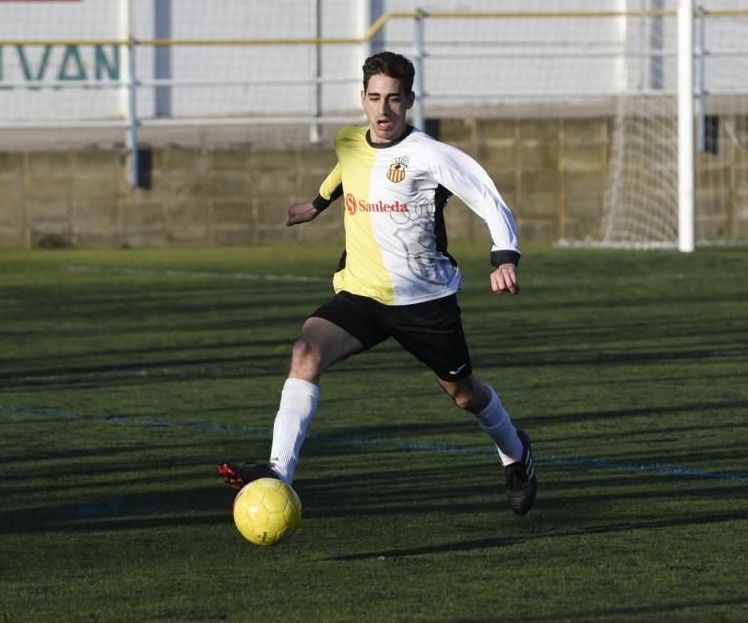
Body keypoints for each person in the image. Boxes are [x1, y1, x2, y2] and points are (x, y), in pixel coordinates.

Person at [218, 51, 536, 515]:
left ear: (409, 100)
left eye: (393, 99)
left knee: (464, 395)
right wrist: (316, 204)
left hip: (424, 300)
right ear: (362, 99)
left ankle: (516, 453)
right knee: (306, 353)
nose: (382, 110)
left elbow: (487, 197)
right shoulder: (349, 139)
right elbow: (345, 169)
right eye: (374, 98)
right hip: (361, 292)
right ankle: (278, 473)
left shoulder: (428, 154)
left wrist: (504, 256)